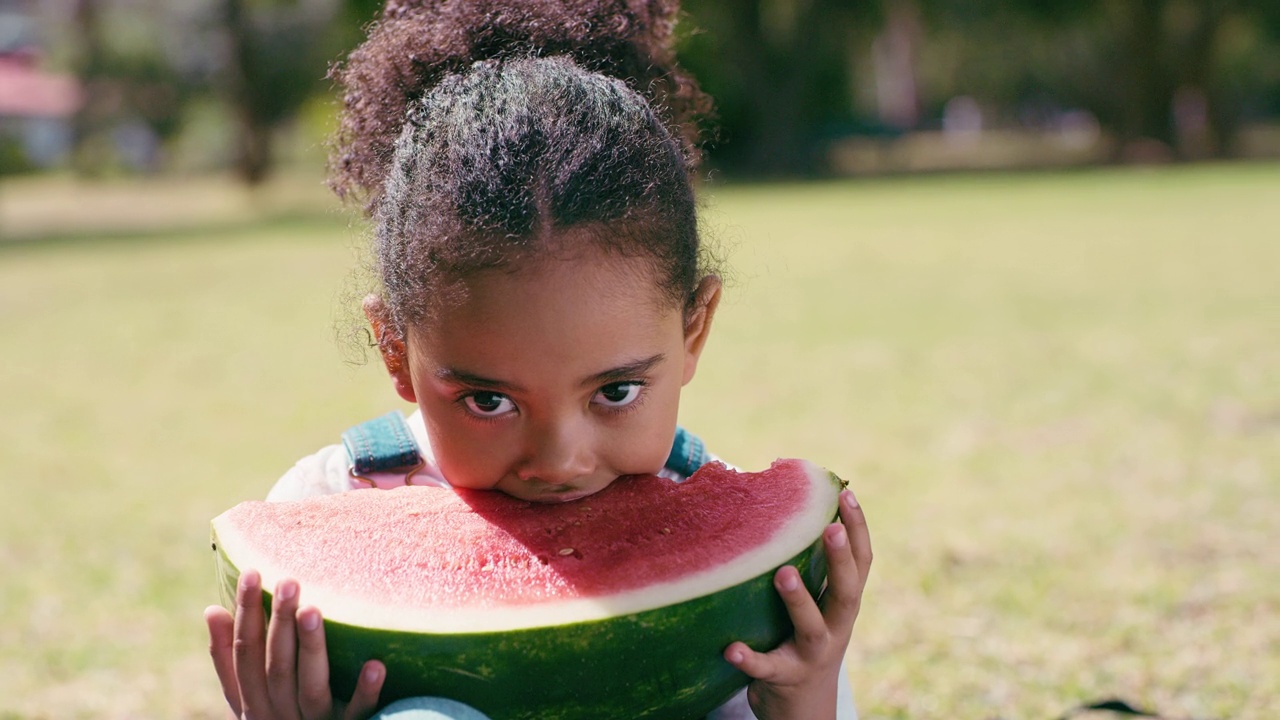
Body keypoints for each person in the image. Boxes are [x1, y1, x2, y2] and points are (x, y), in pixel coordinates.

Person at [203, 2, 872, 719]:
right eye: (489, 401)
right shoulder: (328, 502)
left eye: (615, 391)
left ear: (694, 332)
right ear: (397, 349)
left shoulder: (745, 574)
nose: (558, 460)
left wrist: (805, 694)